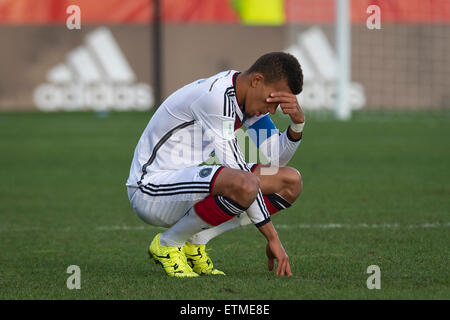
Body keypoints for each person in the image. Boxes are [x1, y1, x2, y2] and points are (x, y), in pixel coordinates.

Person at [126, 52, 305, 277]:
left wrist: (297, 125)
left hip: (190, 182)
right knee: (244, 183)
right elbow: (244, 180)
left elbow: (274, 160)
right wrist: (272, 238)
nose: (272, 110)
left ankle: (196, 241)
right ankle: (168, 243)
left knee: (289, 182)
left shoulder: (248, 101)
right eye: (273, 101)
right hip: (150, 190)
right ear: (257, 81)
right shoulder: (216, 99)